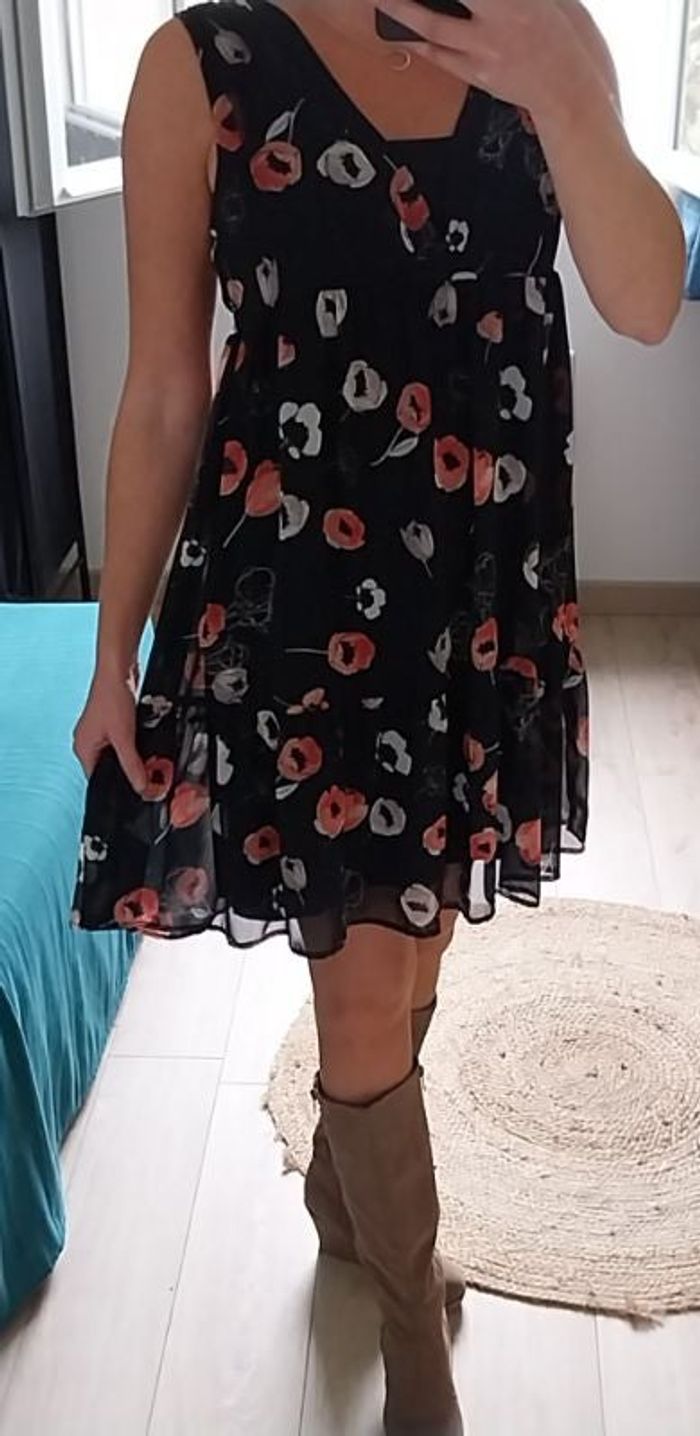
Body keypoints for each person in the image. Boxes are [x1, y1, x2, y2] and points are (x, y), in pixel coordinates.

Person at [70, 1, 685, 1431]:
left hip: (482, 593)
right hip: (300, 599)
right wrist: (113, 649)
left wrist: (568, 95)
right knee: (359, 976)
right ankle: (418, 1355)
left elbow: (649, 299)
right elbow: (163, 392)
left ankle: (350, 1202)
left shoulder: (545, 34)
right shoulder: (201, 67)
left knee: (417, 939)